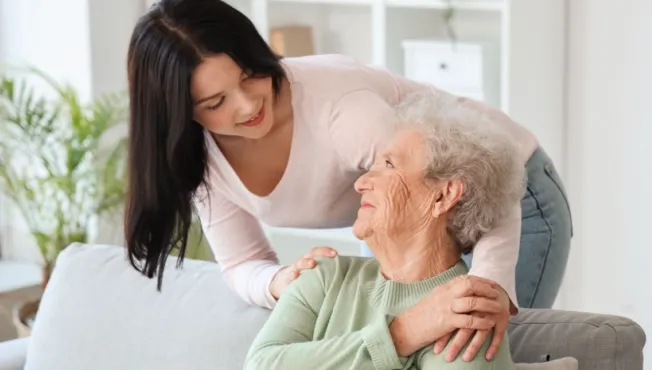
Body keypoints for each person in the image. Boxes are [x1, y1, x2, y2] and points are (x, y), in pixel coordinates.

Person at [124, 0, 572, 361]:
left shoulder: (341, 110)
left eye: (250, 75)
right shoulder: (199, 159)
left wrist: (487, 287)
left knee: (480, 339)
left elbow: (469, 181)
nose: (246, 106)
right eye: (216, 101)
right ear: (180, 113)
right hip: (409, 220)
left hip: (507, 189)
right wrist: (281, 280)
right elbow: (241, 264)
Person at [244, 90, 524, 370]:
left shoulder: (465, 315)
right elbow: (259, 366)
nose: (361, 182)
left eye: (389, 165)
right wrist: (400, 334)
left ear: (443, 196)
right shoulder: (324, 276)